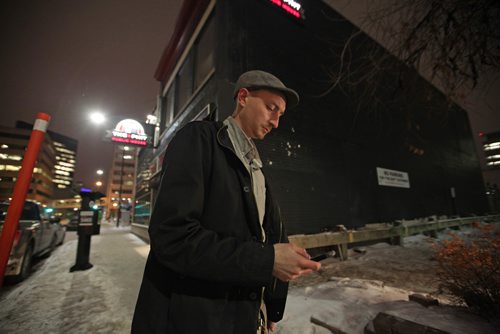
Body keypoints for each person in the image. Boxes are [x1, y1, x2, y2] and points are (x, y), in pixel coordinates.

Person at [132, 70, 321, 334]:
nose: (276, 122)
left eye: (280, 114)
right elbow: (171, 237)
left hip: (242, 316)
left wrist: (269, 305)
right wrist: (267, 261)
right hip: (195, 320)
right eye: (271, 108)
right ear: (243, 97)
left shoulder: (256, 168)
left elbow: (264, 240)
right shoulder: (198, 139)